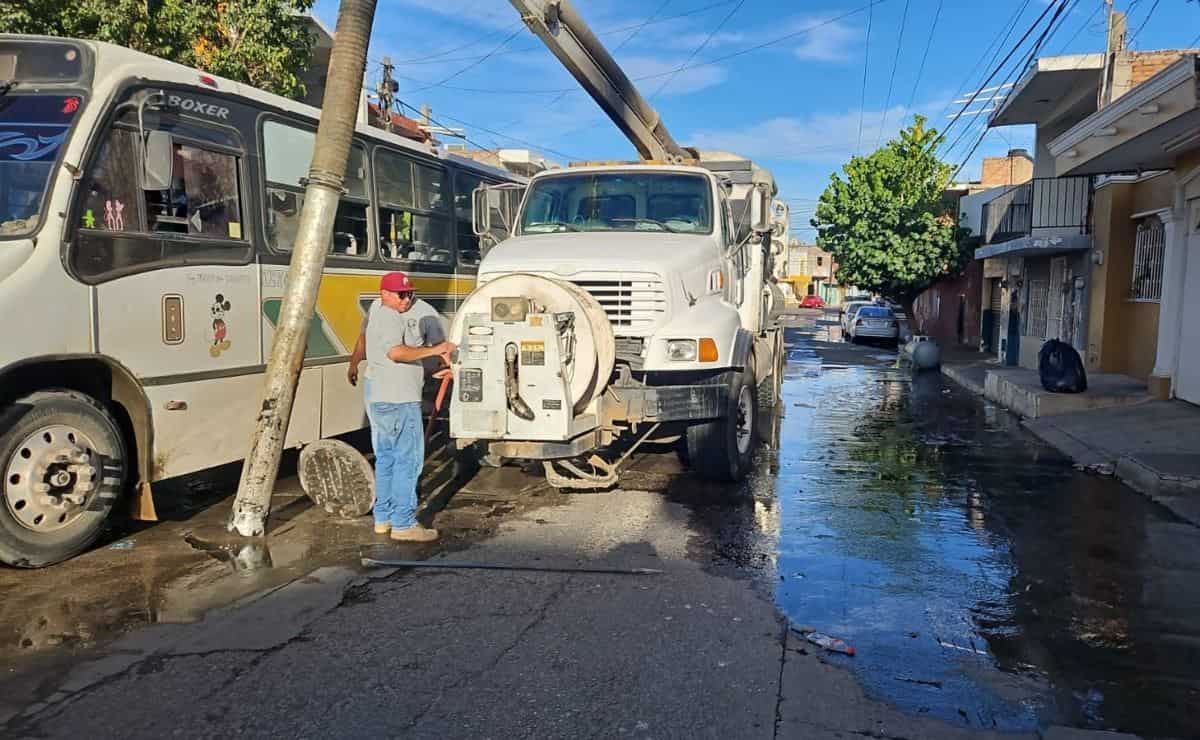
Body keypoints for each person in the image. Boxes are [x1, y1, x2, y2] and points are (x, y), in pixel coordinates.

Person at [348, 272, 454, 542]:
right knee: (408, 460)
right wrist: (435, 351)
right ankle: (404, 523)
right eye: (400, 294)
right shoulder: (391, 317)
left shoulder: (380, 310)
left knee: (386, 458)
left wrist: (433, 366)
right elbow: (397, 353)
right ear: (384, 293)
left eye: (409, 293)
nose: (406, 299)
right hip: (399, 398)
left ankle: (382, 519)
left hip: (381, 395)